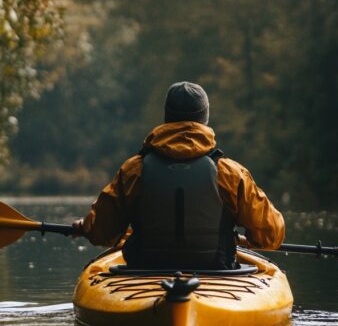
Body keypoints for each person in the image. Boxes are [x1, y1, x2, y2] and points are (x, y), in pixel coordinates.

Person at [73, 81, 284, 269]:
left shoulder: (133, 170)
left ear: (167, 118)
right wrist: (240, 239)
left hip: (145, 272)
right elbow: (271, 235)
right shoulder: (230, 173)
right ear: (205, 119)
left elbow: (102, 233)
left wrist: (85, 225)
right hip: (217, 272)